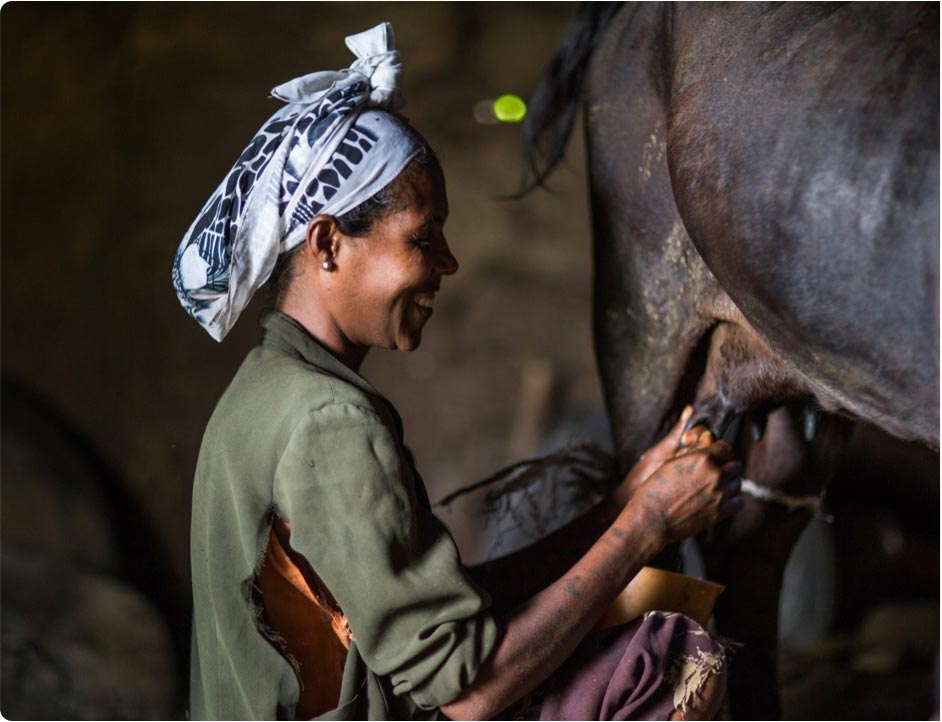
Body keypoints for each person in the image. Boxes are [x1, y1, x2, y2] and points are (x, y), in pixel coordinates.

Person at [173, 23, 743, 721]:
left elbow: (447, 614)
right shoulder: (334, 422)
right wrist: (649, 525)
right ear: (327, 245)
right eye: (423, 237)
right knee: (671, 657)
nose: (446, 264)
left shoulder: (265, 388)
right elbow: (470, 694)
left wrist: (622, 503)